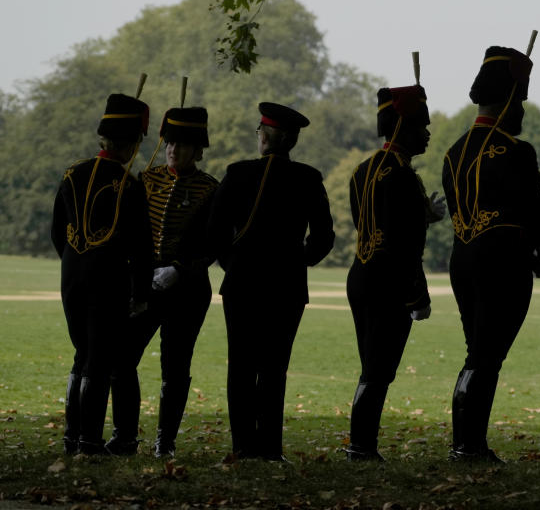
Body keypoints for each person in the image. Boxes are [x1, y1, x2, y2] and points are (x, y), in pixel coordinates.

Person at [442, 46, 540, 462]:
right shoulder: (516, 151)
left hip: (464, 260)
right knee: (486, 356)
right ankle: (468, 445)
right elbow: (536, 209)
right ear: (509, 99)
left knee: (477, 351)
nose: (523, 110)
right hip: (503, 264)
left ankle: (466, 442)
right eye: (521, 100)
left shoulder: (453, 151)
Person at [207, 102, 335, 461]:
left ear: (263, 137)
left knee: (242, 367)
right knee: (275, 368)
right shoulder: (309, 178)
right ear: (291, 141)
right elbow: (324, 238)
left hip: (242, 284)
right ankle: (270, 449)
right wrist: (297, 262)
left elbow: (215, 233)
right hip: (287, 286)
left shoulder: (237, 173)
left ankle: (243, 446)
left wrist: (234, 264)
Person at [106, 107, 220, 457]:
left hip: (187, 290)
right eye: (170, 142)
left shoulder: (211, 189)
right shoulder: (146, 180)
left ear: (198, 151)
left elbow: (214, 244)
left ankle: (165, 442)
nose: (174, 149)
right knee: (122, 360)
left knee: (175, 366)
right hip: (145, 285)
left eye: (183, 144)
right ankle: (125, 437)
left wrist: (181, 270)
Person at [344, 85, 444, 461]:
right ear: (402, 125)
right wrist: (417, 296)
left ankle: (361, 444)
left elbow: (372, 223)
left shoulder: (363, 169)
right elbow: (404, 245)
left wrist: (423, 214)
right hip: (388, 281)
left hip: (361, 273)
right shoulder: (402, 175)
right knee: (378, 368)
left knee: (371, 363)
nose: (427, 132)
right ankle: (361, 446)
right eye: (421, 125)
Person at [51, 93, 153, 455]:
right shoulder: (130, 185)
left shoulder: (71, 174)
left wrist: (77, 262)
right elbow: (143, 248)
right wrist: (140, 293)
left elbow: (57, 233)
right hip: (107, 281)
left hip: (71, 276)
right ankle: (89, 441)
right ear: (130, 143)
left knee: (82, 353)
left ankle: (71, 436)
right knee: (100, 358)